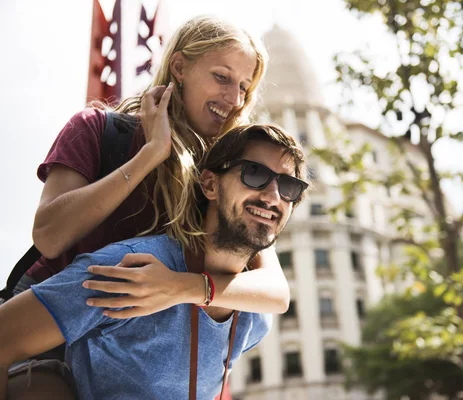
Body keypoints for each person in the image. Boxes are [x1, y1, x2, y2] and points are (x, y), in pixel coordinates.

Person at [1, 124, 309, 400]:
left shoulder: (255, 318)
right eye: (254, 174)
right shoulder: (133, 269)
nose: (272, 196)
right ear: (211, 185)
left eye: (289, 187)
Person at [19, 15, 291, 322]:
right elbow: (49, 237)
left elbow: (275, 292)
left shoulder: (225, 171)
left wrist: (181, 287)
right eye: (221, 77)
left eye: (244, 86)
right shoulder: (96, 128)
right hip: (51, 339)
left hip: (138, 357)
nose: (235, 98)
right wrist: (151, 154)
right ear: (179, 67)